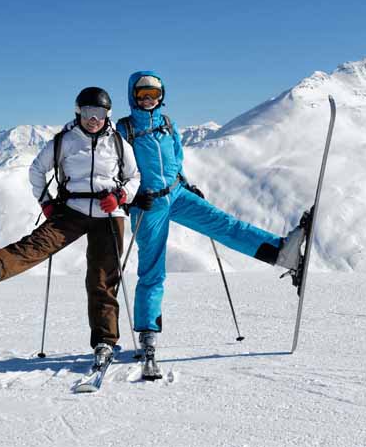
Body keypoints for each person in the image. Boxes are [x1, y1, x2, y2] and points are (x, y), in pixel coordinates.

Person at [116, 71, 306, 363]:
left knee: (226, 225)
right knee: (153, 269)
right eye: (143, 94)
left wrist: (186, 183)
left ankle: (282, 254)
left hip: (178, 194)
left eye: (154, 94)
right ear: (133, 96)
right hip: (149, 204)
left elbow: (175, 159)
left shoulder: (167, 124)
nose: (149, 100)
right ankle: (147, 332)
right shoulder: (124, 130)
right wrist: (131, 197)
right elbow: (117, 170)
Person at [0, 87, 140, 367]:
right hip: (71, 210)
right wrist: (46, 202)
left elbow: (133, 176)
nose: (94, 119)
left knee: (102, 279)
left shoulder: (117, 143)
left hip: (108, 214)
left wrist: (121, 196)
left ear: (107, 115)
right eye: (89, 112)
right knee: (33, 248)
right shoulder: (63, 141)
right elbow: (36, 171)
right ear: (78, 113)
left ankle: (105, 341)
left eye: (100, 113)